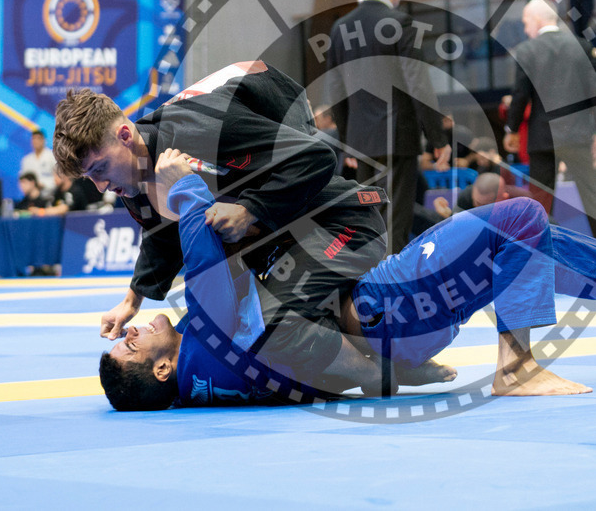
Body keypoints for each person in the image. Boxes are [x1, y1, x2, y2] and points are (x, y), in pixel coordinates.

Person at [98, 148, 596, 410]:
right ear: (160, 370)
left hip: (395, 325)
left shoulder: (214, 380)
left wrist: (403, 372)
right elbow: (207, 277)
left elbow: (320, 378)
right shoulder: (205, 345)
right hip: (388, 304)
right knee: (521, 215)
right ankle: (517, 367)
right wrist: (181, 183)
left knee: (514, 245)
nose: (130, 332)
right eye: (129, 344)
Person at [54, 60, 402, 390]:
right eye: (90, 178)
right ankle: (389, 357)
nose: (101, 186)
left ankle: (380, 374)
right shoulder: (130, 176)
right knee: (253, 304)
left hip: (308, 159)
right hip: (294, 227)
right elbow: (159, 234)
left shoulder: (205, 132)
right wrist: (133, 300)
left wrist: (251, 209)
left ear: (125, 136)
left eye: (99, 169)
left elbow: (316, 156)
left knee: (270, 320)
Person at [323, 0, 452, 255]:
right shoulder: (401, 22)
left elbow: (336, 92)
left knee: (369, 219)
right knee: (395, 223)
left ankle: (367, 289)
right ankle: (392, 292)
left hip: (361, 141)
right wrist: (437, 138)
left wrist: (347, 143)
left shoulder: (340, 28)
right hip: (398, 138)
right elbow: (417, 84)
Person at [502, 0, 596, 247]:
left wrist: (511, 130)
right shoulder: (582, 47)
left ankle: (538, 261)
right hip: (577, 137)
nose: (525, 29)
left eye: (525, 22)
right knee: (593, 201)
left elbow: (520, 95)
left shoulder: (526, 51)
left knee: (540, 205)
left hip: (542, 139)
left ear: (536, 20)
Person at [433, 172, 510, 219]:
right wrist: (446, 215)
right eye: (477, 203)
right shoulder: (466, 197)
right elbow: (454, 225)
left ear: (503, 199)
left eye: (485, 206)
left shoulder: (516, 204)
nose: (479, 209)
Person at [20, 129, 56, 197]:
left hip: (50, 194)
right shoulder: (26, 160)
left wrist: (44, 185)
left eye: (38, 139)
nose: (36, 141)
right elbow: (23, 181)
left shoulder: (52, 156)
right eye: (33, 139)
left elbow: (58, 178)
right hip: (32, 197)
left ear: (44, 140)